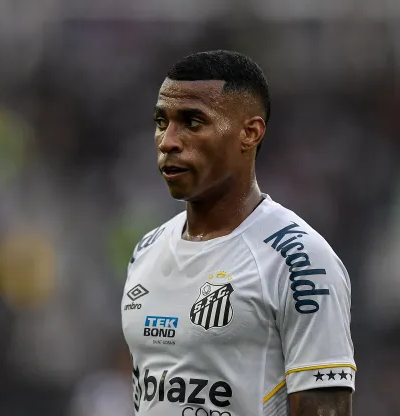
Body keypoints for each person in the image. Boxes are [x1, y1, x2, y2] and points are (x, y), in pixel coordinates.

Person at [121, 50, 355, 416]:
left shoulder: (302, 262)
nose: (168, 141)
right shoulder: (146, 251)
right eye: (161, 121)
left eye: (193, 122)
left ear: (250, 133)